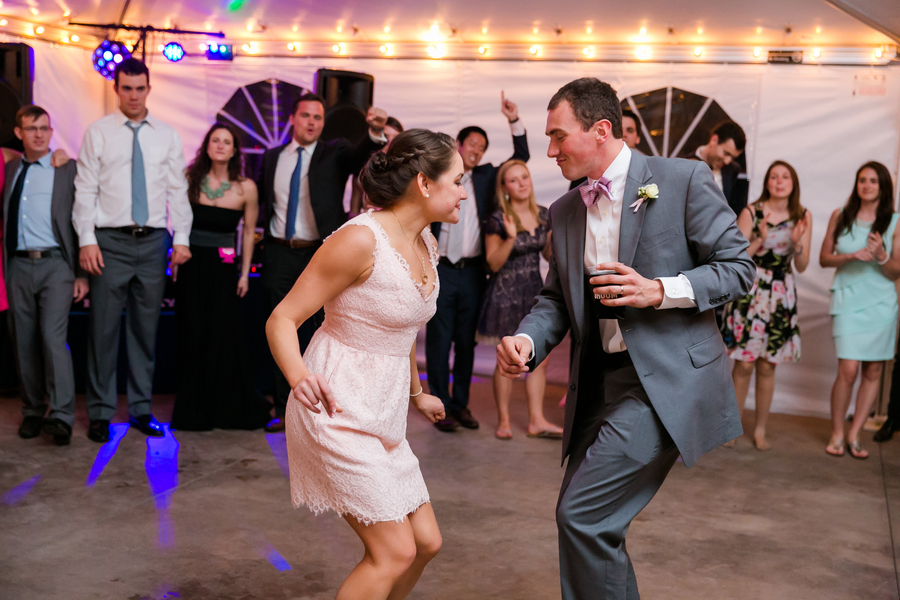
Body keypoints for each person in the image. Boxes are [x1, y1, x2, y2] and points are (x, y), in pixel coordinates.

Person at [496, 78, 755, 600]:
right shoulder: (566, 209)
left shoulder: (680, 179)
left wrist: (660, 290)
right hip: (600, 383)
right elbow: (554, 300)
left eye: (557, 136)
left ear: (601, 130)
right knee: (584, 520)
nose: (549, 151)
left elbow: (738, 268)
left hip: (664, 382)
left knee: (583, 516)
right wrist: (526, 341)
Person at [266, 129, 463, 599]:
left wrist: (418, 395)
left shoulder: (425, 244)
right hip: (336, 409)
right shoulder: (359, 240)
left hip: (384, 410)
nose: (463, 192)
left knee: (426, 542)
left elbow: (400, 331)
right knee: (393, 552)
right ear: (424, 183)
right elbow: (282, 318)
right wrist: (298, 377)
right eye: (457, 180)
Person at [73, 58, 193, 443]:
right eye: (127, 88)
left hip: (154, 240)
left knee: (145, 330)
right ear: (116, 89)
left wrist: (181, 238)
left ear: (149, 89)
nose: (134, 95)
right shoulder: (99, 132)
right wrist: (86, 238)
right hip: (110, 242)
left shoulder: (167, 135)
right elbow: (85, 189)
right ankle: (100, 413)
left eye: (140, 88)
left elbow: (178, 191)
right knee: (103, 330)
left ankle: (141, 409)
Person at [257, 93, 388, 433]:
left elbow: (362, 155)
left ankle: (320, 405)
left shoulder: (336, 151)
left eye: (318, 117)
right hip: (279, 251)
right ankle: (283, 405)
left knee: (321, 329)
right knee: (279, 323)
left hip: (320, 253)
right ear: (292, 118)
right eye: (306, 116)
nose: (312, 122)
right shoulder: (271, 158)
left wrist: (374, 133)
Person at [427, 92, 529, 432]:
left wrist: (514, 120)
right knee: (439, 341)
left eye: (482, 147)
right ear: (457, 144)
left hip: (472, 273)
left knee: (465, 342)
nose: (477, 151)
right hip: (440, 269)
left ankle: (461, 404)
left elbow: (521, 156)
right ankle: (440, 405)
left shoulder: (486, 178)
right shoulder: (438, 175)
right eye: (471, 144)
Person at [170, 123, 272, 431]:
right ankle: (192, 409)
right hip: (191, 266)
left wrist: (243, 273)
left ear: (234, 150)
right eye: (215, 140)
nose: (220, 145)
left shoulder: (246, 188)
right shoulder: (190, 179)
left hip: (225, 270)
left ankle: (222, 407)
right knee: (192, 332)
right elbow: (179, 222)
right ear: (207, 145)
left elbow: (248, 234)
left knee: (221, 336)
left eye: (226, 141)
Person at [4, 105, 87, 446]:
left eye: (44, 128)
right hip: (18, 265)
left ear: (51, 132)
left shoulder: (67, 168)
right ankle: (33, 410)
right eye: (31, 128)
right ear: (19, 133)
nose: (39, 134)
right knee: (22, 340)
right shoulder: (10, 169)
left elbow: (83, 220)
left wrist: (82, 274)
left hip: (56, 264)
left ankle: (63, 416)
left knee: (53, 340)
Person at [722, 161, 812, 450]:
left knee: (768, 366)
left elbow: (803, 264)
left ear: (793, 182)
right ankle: (732, 428)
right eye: (774, 176)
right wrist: (760, 237)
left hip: (779, 293)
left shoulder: (802, 216)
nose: (779, 181)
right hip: (751, 290)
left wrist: (796, 243)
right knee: (744, 364)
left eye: (785, 176)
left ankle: (760, 430)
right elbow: (736, 255)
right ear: (767, 182)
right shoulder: (752, 211)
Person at [477, 159, 562, 440]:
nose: (521, 183)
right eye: (513, 180)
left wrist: (556, 241)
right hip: (505, 293)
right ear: (505, 188)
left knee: (539, 358)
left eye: (524, 177)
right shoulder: (498, 218)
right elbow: (492, 263)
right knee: (508, 358)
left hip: (533, 291)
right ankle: (503, 419)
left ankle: (537, 420)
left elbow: (548, 256)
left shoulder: (544, 214)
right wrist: (511, 238)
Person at [820, 161, 899, 459]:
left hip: (880, 301)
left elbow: (896, 271)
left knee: (874, 368)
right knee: (849, 369)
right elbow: (824, 259)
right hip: (848, 299)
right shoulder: (841, 216)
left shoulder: (895, 221)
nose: (866, 185)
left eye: (873, 181)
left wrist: (881, 254)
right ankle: (837, 433)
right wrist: (851, 255)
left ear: (883, 187)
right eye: (862, 180)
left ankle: (855, 436)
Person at [683, 121, 749, 216]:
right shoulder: (685, 163)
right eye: (726, 153)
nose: (727, 161)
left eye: (733, 157)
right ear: (714, 140)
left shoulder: (732, 169)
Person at [569, 109, 641, 190]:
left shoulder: (647, 170)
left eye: (630, 130)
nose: (623, 134)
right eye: (620, 129)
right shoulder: (587, 171)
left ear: (638, 138)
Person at [349, 116, 404, 216]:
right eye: (385, 137)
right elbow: (353, 213)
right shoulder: (363, 173)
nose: (390, 143)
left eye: (395, 138)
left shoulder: (406, 173)